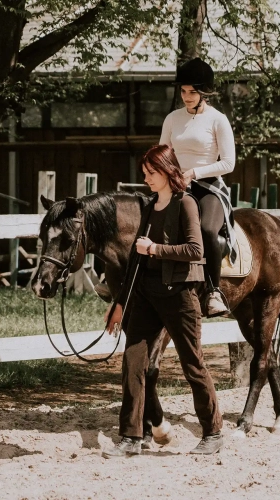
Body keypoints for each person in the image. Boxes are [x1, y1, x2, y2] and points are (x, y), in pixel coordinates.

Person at [102, 144, 223, 458]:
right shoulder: (150, 205)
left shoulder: (187, 204)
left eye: (150, 173)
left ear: (169, 172)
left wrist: (155, 249)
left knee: (192, 364)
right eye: (144, 174)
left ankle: (212, 432)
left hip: (180, 295)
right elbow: (135, 261)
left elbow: (196, 251)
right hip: (145, 294)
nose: (146, 180)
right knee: (133, 363)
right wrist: (119, 303)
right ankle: (130, 438)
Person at [160, 57, 236, 317]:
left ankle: (214, 291)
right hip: (177, 185)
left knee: (206, 230)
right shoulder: (172, 118)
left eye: (192, 92)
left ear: (205, 93)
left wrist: (195, 171)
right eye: (183, 91)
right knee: (145, 220)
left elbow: (228, 162)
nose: (187, 96)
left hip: (208, 187)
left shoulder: (218, 120)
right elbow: (164, 154)